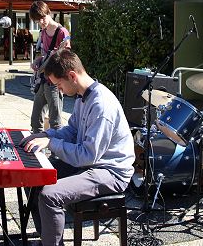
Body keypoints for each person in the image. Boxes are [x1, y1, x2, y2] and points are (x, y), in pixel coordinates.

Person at [20, 49, 135, 246]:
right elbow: (72, 130)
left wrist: (52, 143)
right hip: (94, 163)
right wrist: (46, 135)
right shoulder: (85, 96)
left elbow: (87, 156)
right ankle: (48, 238)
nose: (59, 90)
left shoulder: (101, 105)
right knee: (34, 177)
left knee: (50, 195)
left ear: (72, 76)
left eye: (59, 85)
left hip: (110, 172)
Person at [29, 1, 70, 133]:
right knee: (36, 119)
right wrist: (37, 60)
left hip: (55, 82)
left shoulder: (62, 32)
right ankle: (35, 148)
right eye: (37, 20)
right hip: (42, 79)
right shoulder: (44, 32)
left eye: (42, 18)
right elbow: (44, 55)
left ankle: (55, 154)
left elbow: (67, 58)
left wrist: (56, 55)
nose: (41, 22)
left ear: (49, 13)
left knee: (55, 121)